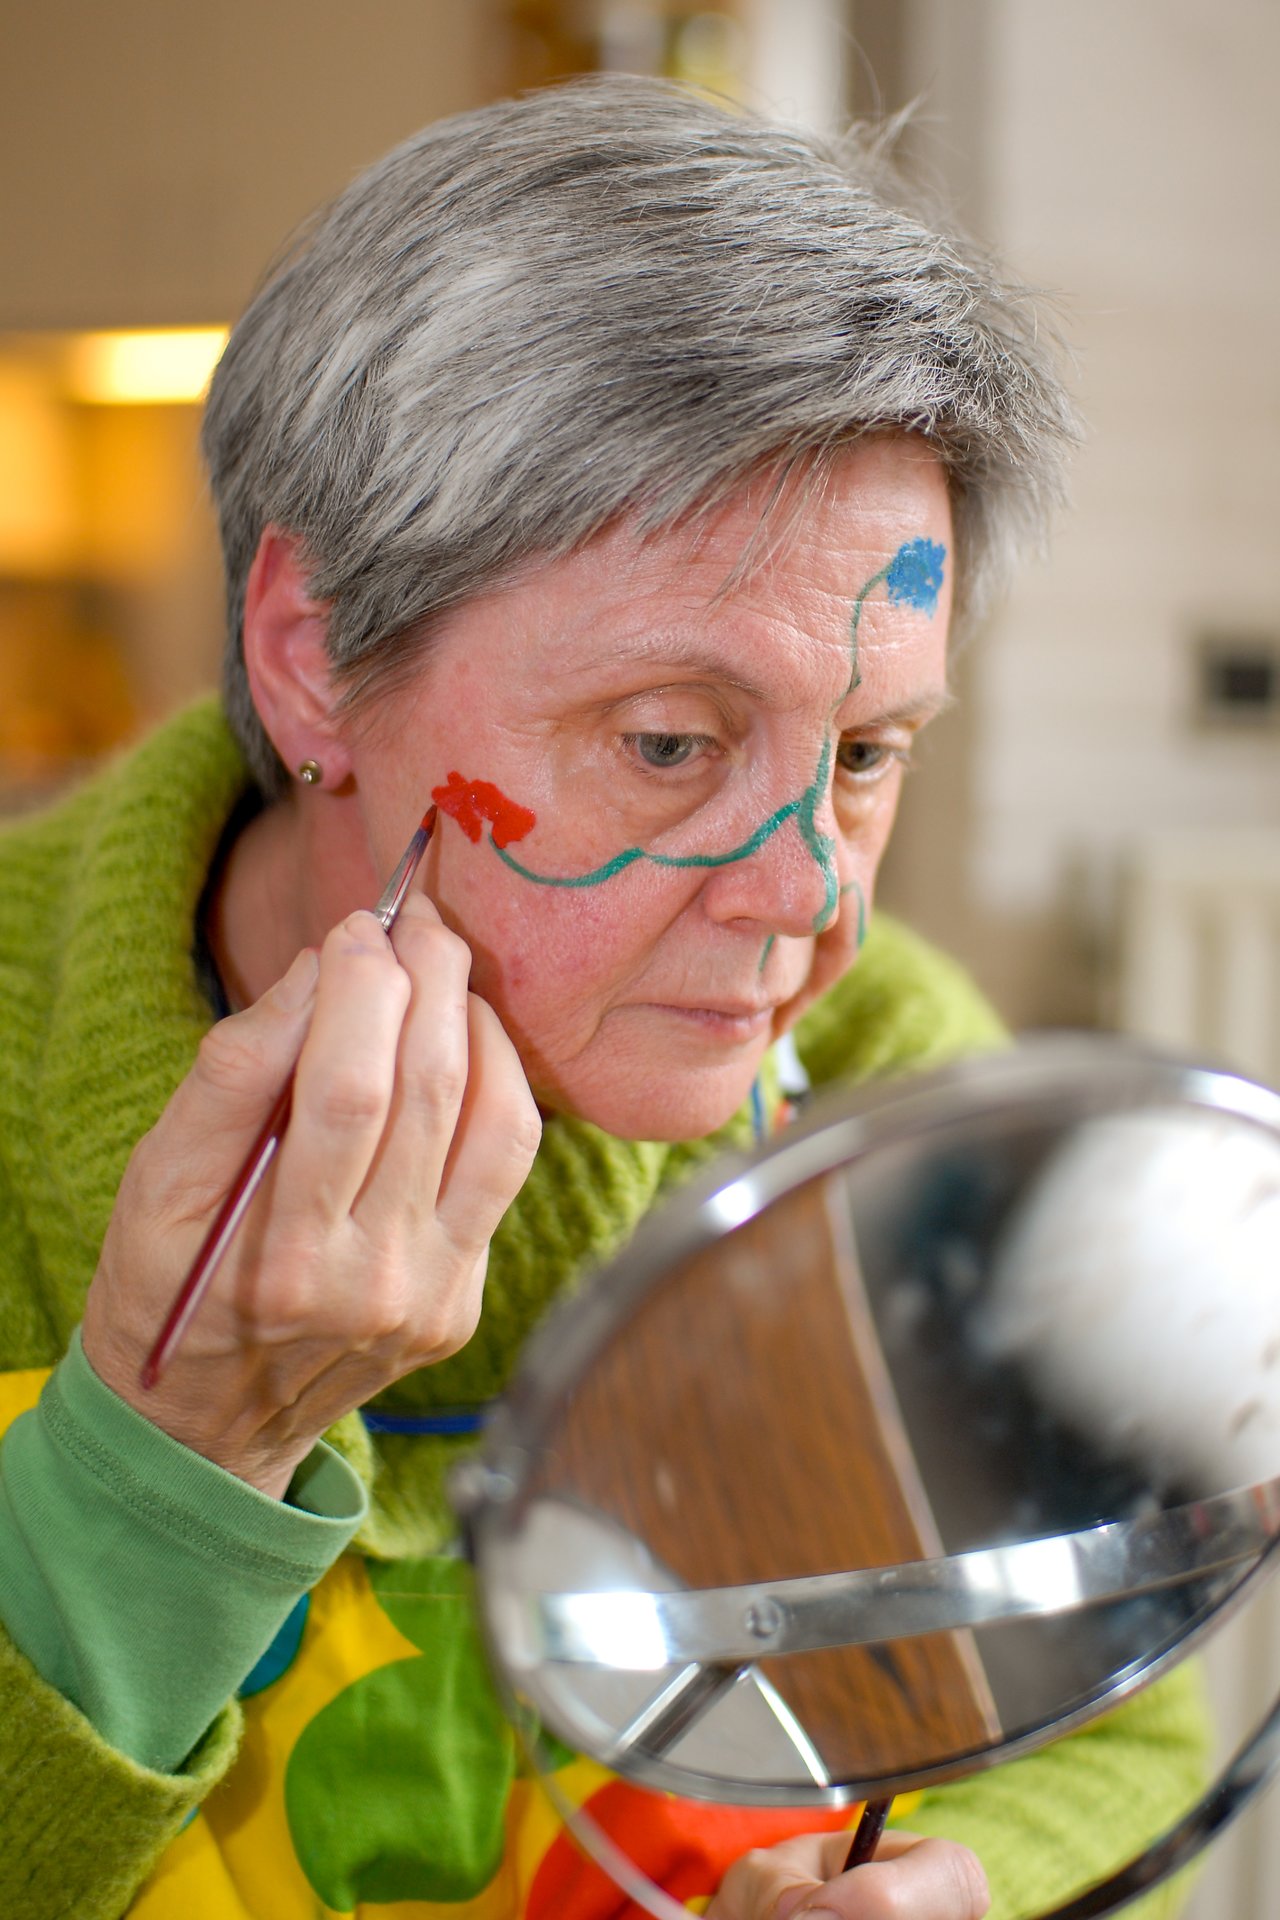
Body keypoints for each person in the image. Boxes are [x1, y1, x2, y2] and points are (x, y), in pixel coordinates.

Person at [0, 75, 1207, 1920]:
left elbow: (1116, 1727)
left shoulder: (890, 1086)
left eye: (872, 751)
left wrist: (958, 1884)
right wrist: (173, 1468)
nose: (815, 899)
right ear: (313, 657)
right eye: (666, 741)